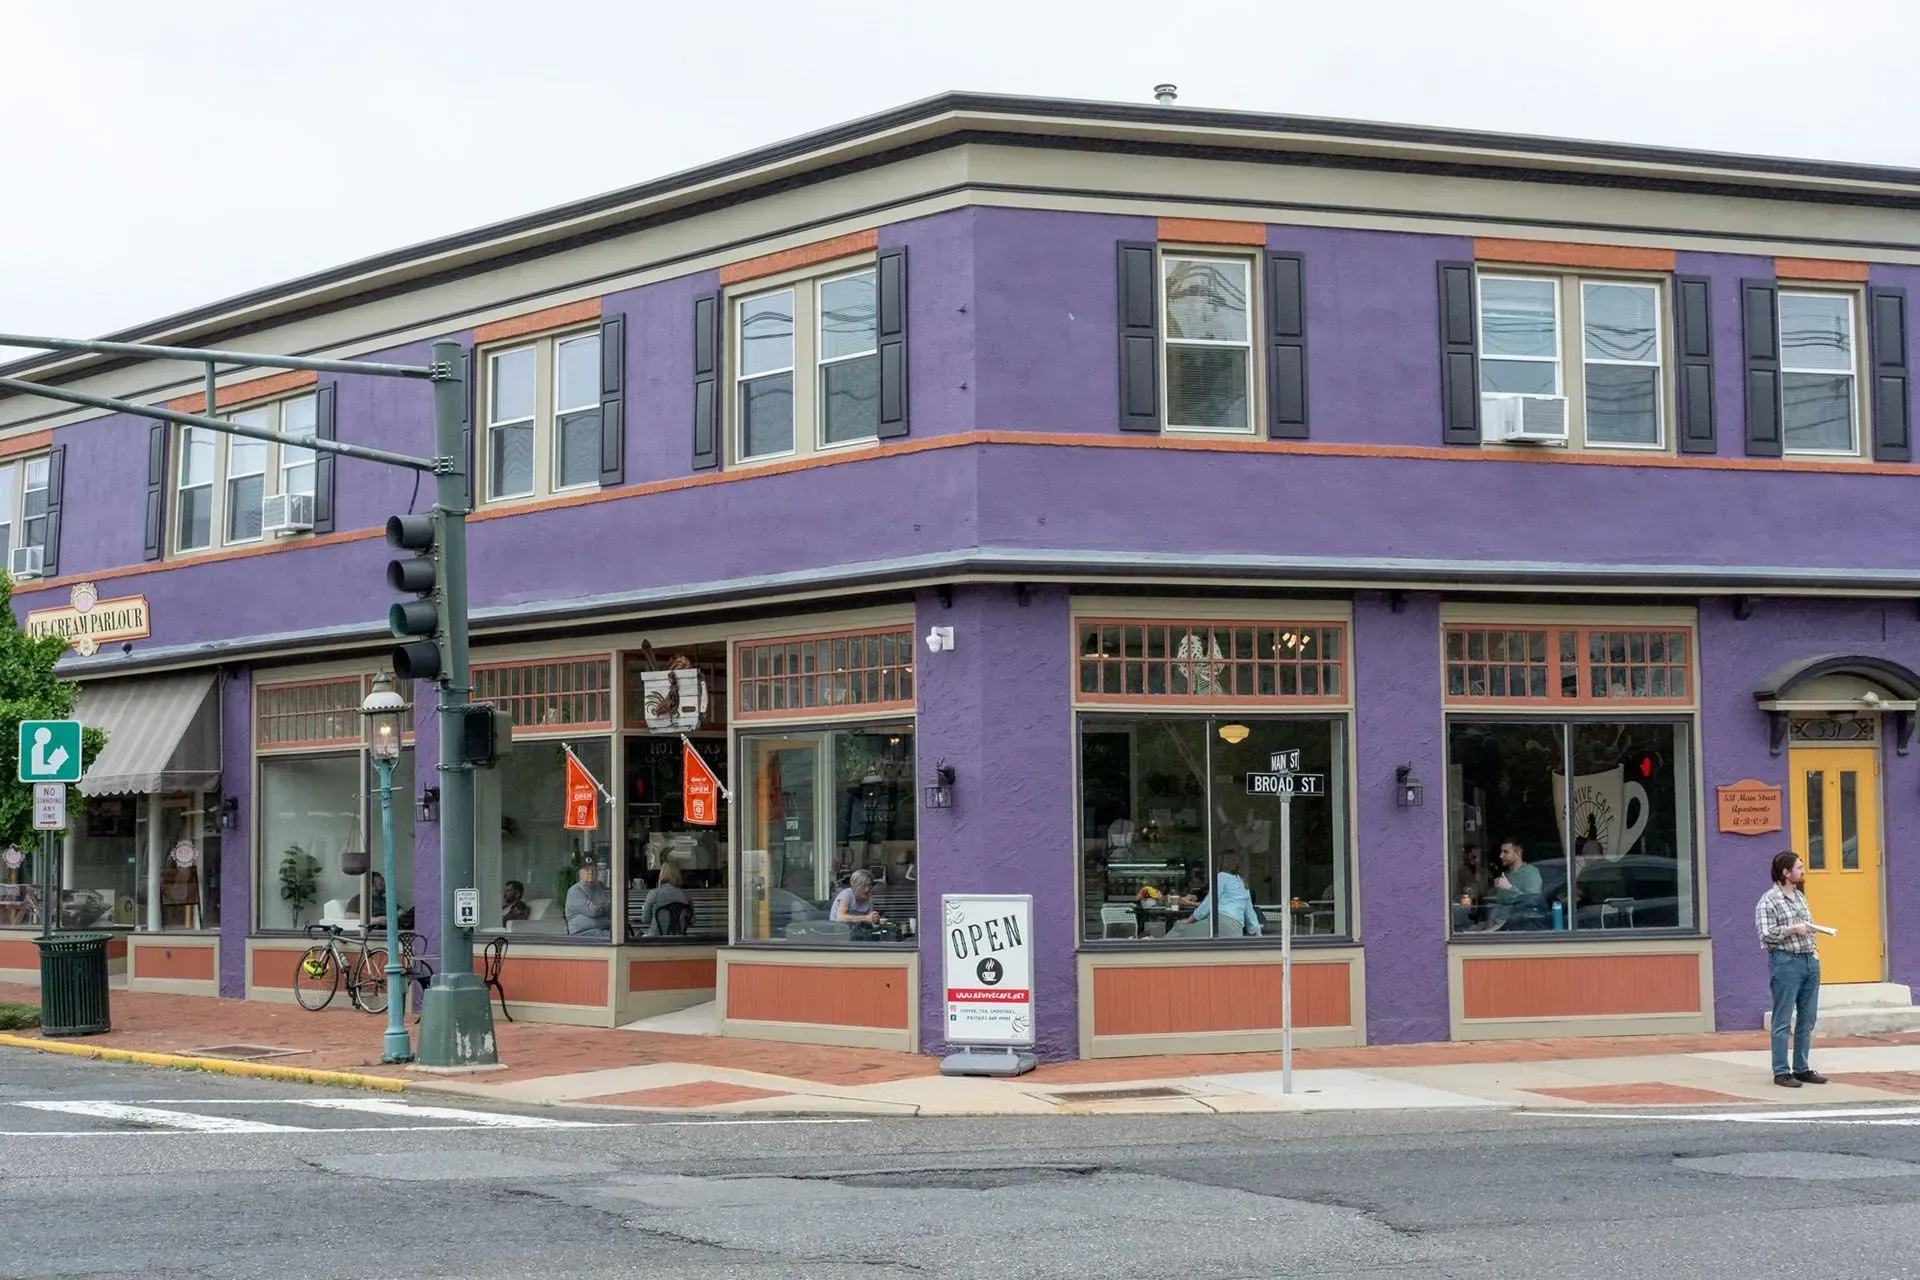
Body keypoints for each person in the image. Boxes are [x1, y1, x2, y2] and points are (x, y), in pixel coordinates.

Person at [1757, 850, 1826, 1088]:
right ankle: (1781, 1071)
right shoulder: (1769, 900)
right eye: (1798, 867)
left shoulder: (1800, 896)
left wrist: (1815, 952)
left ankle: (1802, 1068)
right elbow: (1766, 935)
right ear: (1785, 873)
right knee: (1783, 1019)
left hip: (1809, 961)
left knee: (1807, 1018)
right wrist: (1791, 929)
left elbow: (1808, 926)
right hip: (1786, 962)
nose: (1803, 870)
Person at [1168, 852, 1262, 937]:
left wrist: (1189, 920)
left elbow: (1210, 902)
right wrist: (1258, 933)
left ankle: (1157, 946)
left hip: (1219, 923)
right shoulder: (1242, 882)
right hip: (1236, 929)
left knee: (1179, 927)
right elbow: (1250, 912)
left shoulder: (1221, 876)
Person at [640, 861, 693, 937]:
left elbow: (645, 920)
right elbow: (692, 921)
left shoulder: (653, 893)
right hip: (679, 939)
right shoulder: (686, 896)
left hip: (655, 938)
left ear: (661, 875)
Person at [565, 863, 612, 938]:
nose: (590, 872)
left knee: (622, 936)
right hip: (582, 933)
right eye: (587, 869)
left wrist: (601, 907)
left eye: (593, 869)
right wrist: (609, 921)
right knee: (614, 937)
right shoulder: (575, 890)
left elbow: (608, 909)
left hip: (601, 929)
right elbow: (592, 912)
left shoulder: (599, 887)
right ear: (580, 873)